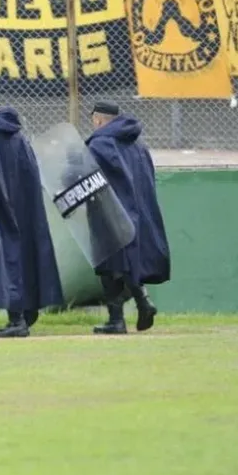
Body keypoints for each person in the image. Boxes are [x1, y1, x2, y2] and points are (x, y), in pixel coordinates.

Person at [0, 96, 64, 337]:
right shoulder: (18, 136)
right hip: (23, 206)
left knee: (1, 260)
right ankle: (11, 314)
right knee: (21, 256)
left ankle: (16, 320)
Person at [86, 101, 170, 334]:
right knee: (128, 262)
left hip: (109, 211)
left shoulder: (100, 142)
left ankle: (118, 319)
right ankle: (141, 302)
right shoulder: (138, 143)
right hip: (139, 211)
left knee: (109, 264)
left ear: (99, 119)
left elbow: (86, 174)